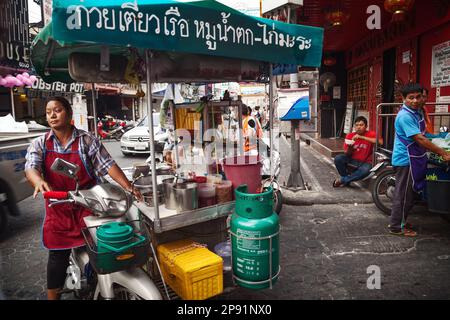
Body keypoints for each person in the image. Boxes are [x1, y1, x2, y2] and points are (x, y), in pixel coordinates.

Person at [24, 96, 142, 300]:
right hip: (58, 207)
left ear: (69, 114)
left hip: (87, 204)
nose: (52, 114)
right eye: (49, 111)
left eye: (58, 110)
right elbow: (31, 167)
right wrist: (37, 181)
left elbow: (108, 166)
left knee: (100, 248)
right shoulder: (40, 143)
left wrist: (128, 187)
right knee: (57, 256)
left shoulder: (87, 140)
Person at [389, 83, 450, 237]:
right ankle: (396, 227)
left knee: (412, 193)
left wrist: (438, 139)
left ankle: (401, 221)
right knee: (403, 195)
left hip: (416, 157)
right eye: (411, 98)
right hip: (406, 160)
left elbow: (424, 134)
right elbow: (420, 139)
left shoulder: (417, 112)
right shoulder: (405, 116)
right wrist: (442, 152)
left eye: (418, 97)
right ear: (403, 98)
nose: (415, 101)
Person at [333, 116, 382, 187]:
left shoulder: (371, 134)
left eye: (361, 125)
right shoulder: (350, 136)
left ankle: (343, 180)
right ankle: (346, 179)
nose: (358, 127)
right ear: (354, 127)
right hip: (352, 159)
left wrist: (362, 137)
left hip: (366, 162)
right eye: (356, 125)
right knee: (338, 158)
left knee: (366, 170)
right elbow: (347, 154)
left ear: (366, 126)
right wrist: (350, 147)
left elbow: (380, 142)